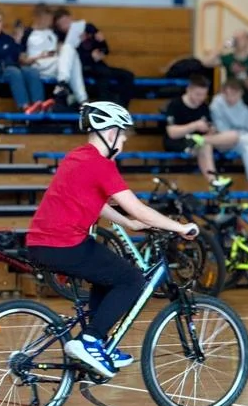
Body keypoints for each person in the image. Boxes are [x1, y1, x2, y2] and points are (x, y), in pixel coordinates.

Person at [26, 101, 199, 379]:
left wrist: (129, 223)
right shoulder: (100, 164)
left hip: (42, 243)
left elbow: (96, 203)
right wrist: (178, 227)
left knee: (107, 272)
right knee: (132, 279)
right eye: (123, 135)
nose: (124, 142)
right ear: (110, 135)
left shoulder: (77, 157)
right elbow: (138, 207)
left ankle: (99, 343)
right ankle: (91, 340)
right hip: (64, 245)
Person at [162, 74, 234, 189]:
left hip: (199, 141)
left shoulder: (204, 107)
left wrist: (210, 130)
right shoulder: (175, 104)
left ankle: (214, 182)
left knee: (223, 139)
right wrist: (194, 126)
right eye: (198, 94)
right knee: (204, 145)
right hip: (178, 142)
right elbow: (172, 133)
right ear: (188, 90)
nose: (201, 98)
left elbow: (210, 128)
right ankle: (213, 181)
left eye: (204, 95)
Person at [55, 9, 136, 107]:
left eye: (66, 21)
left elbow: (105, 48)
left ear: (71, 18)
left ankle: (122, 107)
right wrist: (89, 55)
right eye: (61, 25)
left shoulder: (88, 28)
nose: (65, 26)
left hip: (98, 64)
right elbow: (71, 59)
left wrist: (101, 51)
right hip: (82, 68)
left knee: (127, 75)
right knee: (103, 75)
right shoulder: (62, 38)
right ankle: (104, 109)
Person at [20, 3, 87, 112]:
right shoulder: (28, 33)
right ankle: (82, 99)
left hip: (55, 64)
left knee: (69, 49)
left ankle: (64, 85)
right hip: (38, 64)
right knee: (71, 59)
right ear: (39, 17)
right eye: (47, 18)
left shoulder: (53, 32)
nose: (50, 21)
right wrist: (39, 56)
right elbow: (22, 59)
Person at [0, 6, 45, 111]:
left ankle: (39, 105)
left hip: (10, 66)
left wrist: (17, 41)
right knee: (14, 72)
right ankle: (24, 106)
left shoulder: (6, 38)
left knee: (31, 72)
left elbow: (15, 56)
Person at [204, 30, 248, 131]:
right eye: (235, 38)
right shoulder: (228, 58)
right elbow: (206, 63)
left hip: (246, 95)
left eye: (240, 38)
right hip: (230, 93)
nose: (236, 40)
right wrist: (221, 47)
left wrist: (242, 75)